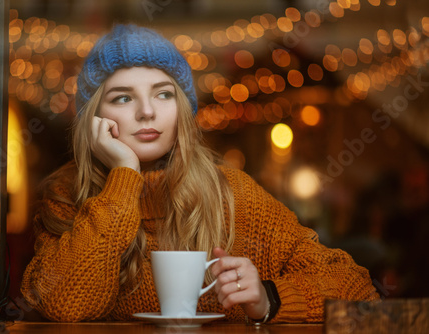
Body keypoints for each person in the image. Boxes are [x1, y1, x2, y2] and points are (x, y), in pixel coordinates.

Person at [20, 24, 378, 323]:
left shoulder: (232, 195)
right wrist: (124, 176)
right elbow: (65, 308)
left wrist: (269, 299)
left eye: (163, 95)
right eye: (123, 98)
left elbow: (358, 292)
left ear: (182, 110)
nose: (147, 111)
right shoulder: (67, 195)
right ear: (95, 117)